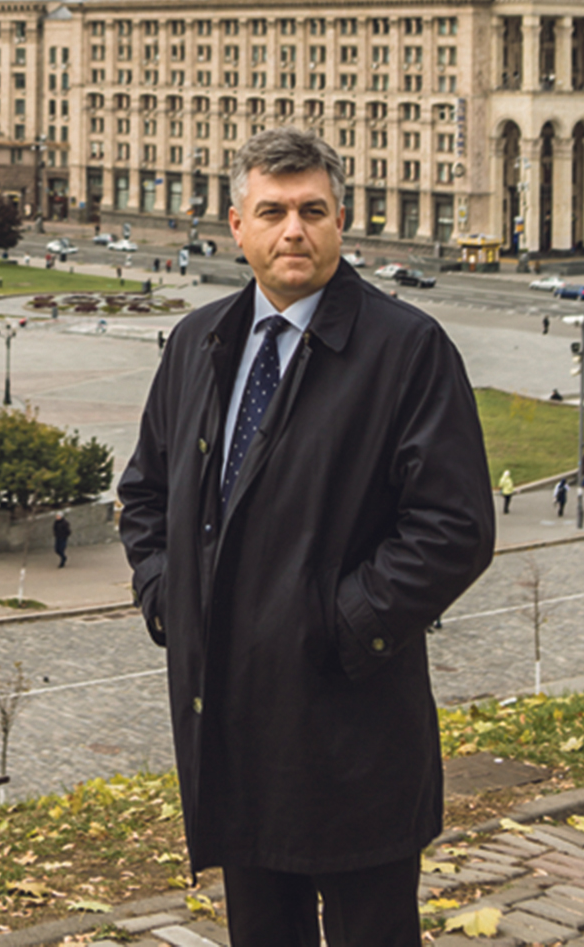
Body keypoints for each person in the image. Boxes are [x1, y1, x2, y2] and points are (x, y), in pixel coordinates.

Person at [119, 127, 494, 947]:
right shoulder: (198, 343)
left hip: (351, 721)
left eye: (313, 211)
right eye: (275, 211)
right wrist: (166, 598)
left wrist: (340, 624)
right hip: (234, 730)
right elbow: (146, 494)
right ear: (237, 226)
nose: (295, 230)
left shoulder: (407, 349)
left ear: (341, 222)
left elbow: (454, 527)